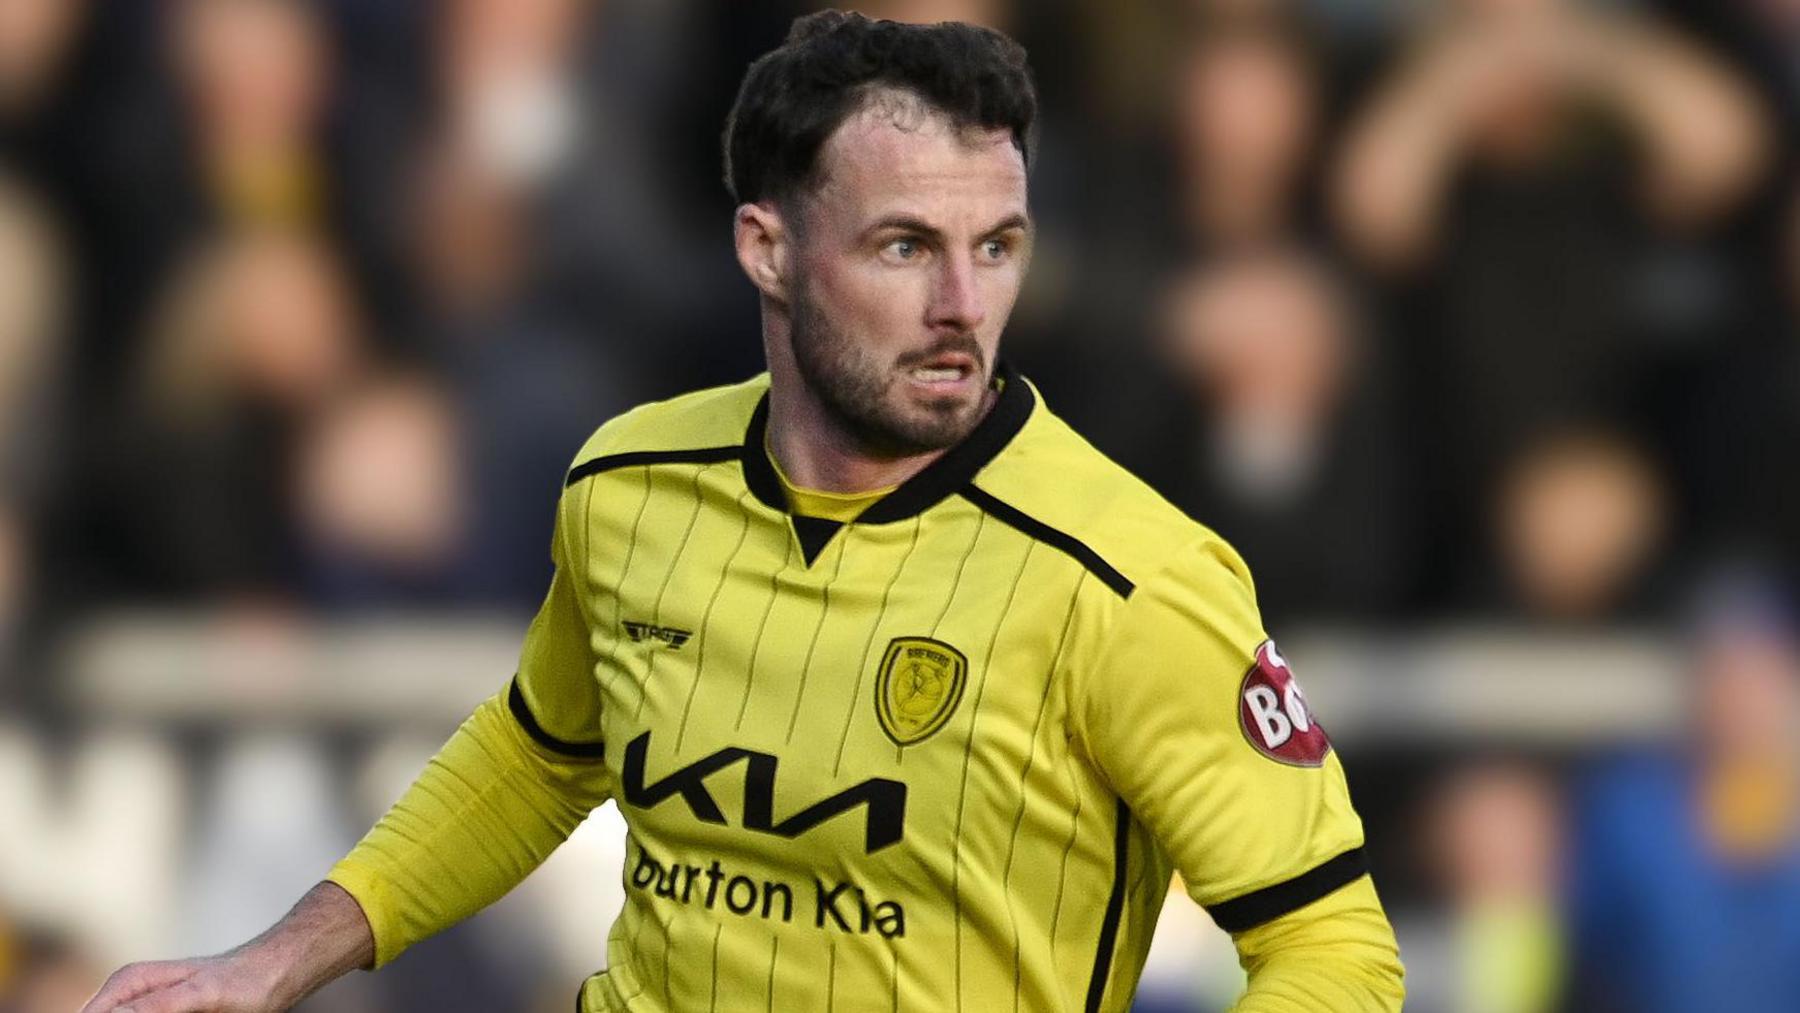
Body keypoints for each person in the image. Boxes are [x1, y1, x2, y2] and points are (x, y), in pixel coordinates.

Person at [81, 12, 1404, 1012]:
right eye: (904, 245)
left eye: (996, 246)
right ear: (767, 247)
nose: (963, 306)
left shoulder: (1131, 577)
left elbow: (1334, 950)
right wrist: (276, 959)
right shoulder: (631, 484)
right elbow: (538, 755)